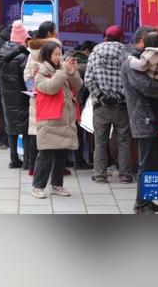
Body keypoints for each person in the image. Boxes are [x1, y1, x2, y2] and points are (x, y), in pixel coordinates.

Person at [121, 28, 158, 214]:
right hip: (143, 117)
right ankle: (141, 204)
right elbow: (147, 87)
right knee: (146, 162)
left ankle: (150, 199)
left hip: (155, 117)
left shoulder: (147, 60)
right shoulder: (132, 61)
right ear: (144, 40)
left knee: (156, 160)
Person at [31, 41, 82, 199]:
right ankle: (38, 186)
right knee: (46, 154)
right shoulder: (40, 71)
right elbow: (51, 88)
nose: (59, 57)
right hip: (50, 119)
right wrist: (63, 72)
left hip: (64, 119)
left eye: (60, 54)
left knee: (61, 154)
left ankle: (57, 185)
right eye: (56, 54)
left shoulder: (61, 70)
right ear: (48, 55)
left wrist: (72, 72)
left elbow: (79, 85)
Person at [84, 25, 133, 184]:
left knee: (100, 141)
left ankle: (99, 175)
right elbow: (131, 81)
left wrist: (101, 96)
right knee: (124, 142)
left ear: (105, 38)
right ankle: (125, 175)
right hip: (122, 106)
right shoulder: (127, 55)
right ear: (121, 38)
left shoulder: (95, 53)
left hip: (101, 106)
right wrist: (121, 96)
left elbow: (88, 79)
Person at [24, 21, 60, 176]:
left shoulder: (32, 49)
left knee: (34, 131)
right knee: (52, 131)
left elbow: (27, 73)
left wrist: (33, 89)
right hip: (50, 94)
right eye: (55, 30)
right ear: (50, 33)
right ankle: (54, 168)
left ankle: (32, 167)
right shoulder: (53, 47)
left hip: (35, 95)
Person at [0, 20, 30, 168]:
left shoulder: (3, 53)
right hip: (21, 96)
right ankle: (27, 161)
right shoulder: (23, 56)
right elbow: (27, 79)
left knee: (11, 128)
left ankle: (14, 159)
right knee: (26, 129)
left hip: (7, 96)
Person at [67, 41, 97, 169]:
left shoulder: (68, 60)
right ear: (87, 51)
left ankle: (69, 160)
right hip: (78, 103)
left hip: (68, 101)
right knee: (79, 133)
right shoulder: (86, 64)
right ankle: (79, 161)